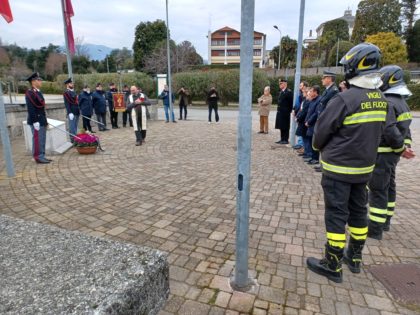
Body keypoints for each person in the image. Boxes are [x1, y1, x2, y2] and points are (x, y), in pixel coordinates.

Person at [306, 43, 387, 283]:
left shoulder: (345, 99)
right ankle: (354, 258)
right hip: (364, 171)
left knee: (336, 215)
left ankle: (332, 263)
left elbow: (320, 133)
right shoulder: (381, 99)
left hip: (339, 170)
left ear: (354, 66)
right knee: (359, 212)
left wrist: (317, 148)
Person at [367, 65, 415, 240]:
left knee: (378, 189)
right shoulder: (403, 102)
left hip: (382, 153)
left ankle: (375, 228)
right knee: (389, 187)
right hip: (392, 156)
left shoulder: (387, 102)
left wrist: (400, 147)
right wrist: (404, 147)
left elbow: (389, 130)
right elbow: (406, 132)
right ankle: (386, 219)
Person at [25, 72, 52, 164]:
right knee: (37, 139)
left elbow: (41, 108)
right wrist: (35, 121)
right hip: (36, 120)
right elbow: (31, 108)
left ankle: (42, 155)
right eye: (38, 80)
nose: (40, 81)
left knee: (42, 139)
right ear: (33, 81)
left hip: (41, 120)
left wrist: (45, 121)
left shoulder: (38, 92)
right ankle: (38, 157)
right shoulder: (30, 93)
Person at [303, 86, 321, 164]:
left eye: (311, 91)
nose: (310, 93)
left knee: (314, 142)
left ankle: (315, 158)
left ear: (315, 92)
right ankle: (312, 157)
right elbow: (309, 112)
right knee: (310, 141)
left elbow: (316, 113)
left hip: (314, 124)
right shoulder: (313, 100)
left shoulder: (318, 100)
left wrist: (309, 121)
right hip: (309, 124)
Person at [274, 79, 293, 144]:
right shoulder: (281, 91)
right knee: (281, 126)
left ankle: (286, 139)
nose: (280, 85)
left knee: (285, 126)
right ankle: (282, 139)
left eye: (281, 83)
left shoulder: (289, 92)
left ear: (285, 84)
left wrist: (288, 111)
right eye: (279, 83)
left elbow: (291, 103)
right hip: (280, 112)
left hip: (285, 112)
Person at [295, 85, 311, 157]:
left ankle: (307, 152)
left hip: (304, 121)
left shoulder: (308, 101)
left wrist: (299, 118)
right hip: (302, 120)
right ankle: (305, 151)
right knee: (304, 137)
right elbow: (300, 110)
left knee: (306, 139)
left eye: (305, 92)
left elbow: (304, 111)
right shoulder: (304, 100)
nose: (303, 94)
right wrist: (297, 116)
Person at [293, 81, 309, 149]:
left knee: (302, 131)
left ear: (305, 86)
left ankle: (301, 144)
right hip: (299, 114)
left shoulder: (305, 96)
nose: (299, 87)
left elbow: (302, 107)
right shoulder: (300, 94)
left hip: (302, 116)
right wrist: (294, 110)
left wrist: (299, 114)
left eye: (301, 85)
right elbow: (297, 104)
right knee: (300, 129)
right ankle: (300, 143)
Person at [63, 78, 79, 143]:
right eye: (71, 83)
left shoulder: (73, 92)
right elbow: (67, 103)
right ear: (67, 84)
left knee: (75, 126)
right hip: (72, 112)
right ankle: (73, 140)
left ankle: (75, 138)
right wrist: (69, 112)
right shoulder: (66, 93)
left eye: (72, 83)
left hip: (76, 111)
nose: (72, 84)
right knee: (72, 127)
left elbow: (76, 102)